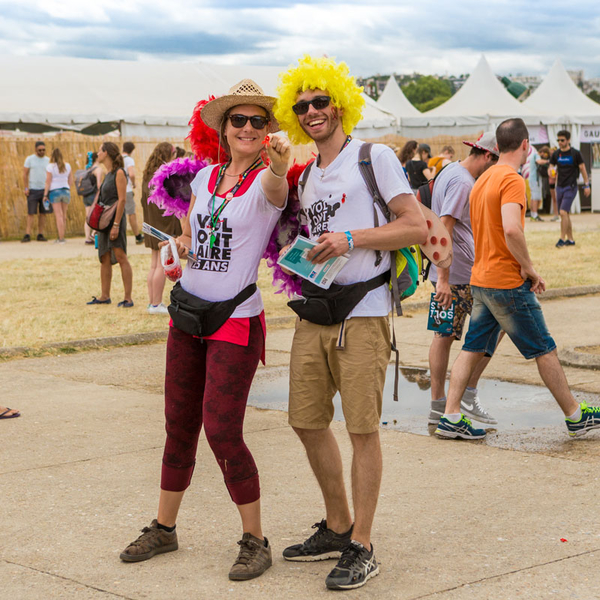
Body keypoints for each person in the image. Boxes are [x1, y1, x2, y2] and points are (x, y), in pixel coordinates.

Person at [120, 80, 290, 581]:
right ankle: (164, 528)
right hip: (187, 315)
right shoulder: (203, 180)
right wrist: (182, 250)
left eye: (259, 121)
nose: (248, 128)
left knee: (221, 429)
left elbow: (278, 188)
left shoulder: (265, 182)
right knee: (178, 424)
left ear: (268, 132)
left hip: (234, 320)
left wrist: (279, 165)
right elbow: (194, 232)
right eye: (238, 119)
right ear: (222, 127)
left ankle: (256, 541)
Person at [274, 55, 427, 591]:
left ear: (339, 104)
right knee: (305, 420)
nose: (312, 112)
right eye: (302, 106)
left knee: (362, 429)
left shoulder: (373, 157)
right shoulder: (309, 175)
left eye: (320, 102)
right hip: (316, 311)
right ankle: (338, 525)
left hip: (362, 315)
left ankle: (363, 543)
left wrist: (352, 238)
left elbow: (416, 225)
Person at [435, 118, 600, 440]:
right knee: (544, 349)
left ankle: (451, 416)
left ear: (498, 146)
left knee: (471, 348)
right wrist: (529, 268)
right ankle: (575, 415)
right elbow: (511, 228)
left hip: (480, 279)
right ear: (525, 145)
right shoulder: (511, 180)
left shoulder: (483, 179)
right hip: (505, 282)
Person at [427, 133, 499, 427]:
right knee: (500, 320)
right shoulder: (462, 182)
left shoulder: (450, 171)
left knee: (442, 335)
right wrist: (443, 279)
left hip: (446, 273)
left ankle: (438, 403)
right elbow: (444, 228)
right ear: (487, 157)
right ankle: (466, 394)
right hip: (457, 276)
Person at [86, 142, 133, 307]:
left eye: (100, 150)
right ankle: (104, 295)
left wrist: (116, 224)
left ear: (106, 153)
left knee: (120, 256)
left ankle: (128, 298)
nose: (97, 153)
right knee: (104, 257)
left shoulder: (119, 173)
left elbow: (122, 200)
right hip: (104, 222)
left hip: (114, 220)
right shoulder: (109, 173)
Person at [141, 142, 181, 314]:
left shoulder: (147, 175)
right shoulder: (164, 175)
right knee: (160, 265)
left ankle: (152, 302)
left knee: (154, 265)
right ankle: (156, 304)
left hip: (150, 222)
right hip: (162, 224)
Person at [550, 130, 591, 247]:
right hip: (559, 187)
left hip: (571, 186)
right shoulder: (556, 154)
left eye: (562, 140)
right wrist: (551, 171)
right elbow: (551, 166)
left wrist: (586, 185)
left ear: (568, 140)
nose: (560, 142)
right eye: (558, 140)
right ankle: (571, 240)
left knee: (562, 212)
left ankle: (562, 239)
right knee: (565, 214)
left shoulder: (575, 153)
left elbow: (582, 169)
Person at [22, 140, 50, 242]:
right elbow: (25, 174)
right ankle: (27, 234)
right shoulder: (30, 159)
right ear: (35, 149)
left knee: (43, 213)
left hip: (45, 191)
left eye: (43, 150)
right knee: (31, 212)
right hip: (33, 190)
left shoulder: (48, 160)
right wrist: (26, 188)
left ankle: (40, 234)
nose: (42, 152)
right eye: (40, 150)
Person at [43, 148, 74, 244]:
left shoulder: (50, 167)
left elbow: (48, 181)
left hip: (54, 191)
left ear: (52, 156)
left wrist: (45, 194)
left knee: (58, 216)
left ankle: (60, 238)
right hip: (66, 191)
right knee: (64, 215)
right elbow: (71, 181)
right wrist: (67, 187)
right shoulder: (67, 166)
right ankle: (62, 236)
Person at [122, 141, 144, 244]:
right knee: (131, 213)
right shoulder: (129, 160)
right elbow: (131, 174)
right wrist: (133, 184)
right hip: (127, 189)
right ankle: (137, 236)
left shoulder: (118, 158)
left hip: (118, 189)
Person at [82, 152, 105, 244]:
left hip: (86, 195)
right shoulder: (98, 169)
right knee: (96, 216)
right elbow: (99, 184)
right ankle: (93, 233)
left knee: (88, 216)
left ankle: (87, 238)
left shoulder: (87, 168)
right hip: (94, 195)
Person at [537, 145, 552, 217]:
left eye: (545, 152)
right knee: (542, 194)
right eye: (542, 152)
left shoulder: (550, 159)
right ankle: (541, 209)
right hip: (541, 178)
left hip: (548, 178)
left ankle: (547, 209)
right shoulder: (539, 159)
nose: (543, 154)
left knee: (548, 193)